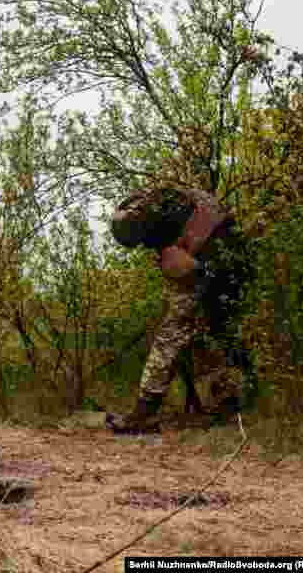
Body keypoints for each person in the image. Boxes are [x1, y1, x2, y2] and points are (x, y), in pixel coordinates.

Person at [105, 181, 256, 435]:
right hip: (234, 256)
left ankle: (143, 414)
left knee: (171, 334)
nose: (143, 245)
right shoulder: (172, 196)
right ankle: (232, 403)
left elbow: (177, 264)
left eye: (139, 240)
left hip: (212, 260)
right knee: (219, 330)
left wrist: (183, 269)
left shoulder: (149, 213)